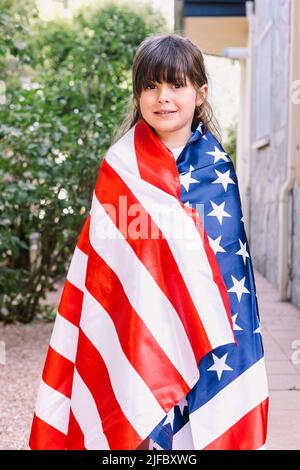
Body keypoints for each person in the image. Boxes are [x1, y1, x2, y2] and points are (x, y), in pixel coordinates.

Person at [29, 33, 269, 451]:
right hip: (139, 330)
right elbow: (106, 265)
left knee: (199, 433)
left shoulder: (217, 170)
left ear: (201, 92)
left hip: (207, 335)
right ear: (138, 93)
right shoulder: (120, 167)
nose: (164, 97)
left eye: (177, 85)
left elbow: (227, 263)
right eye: (151, 86)